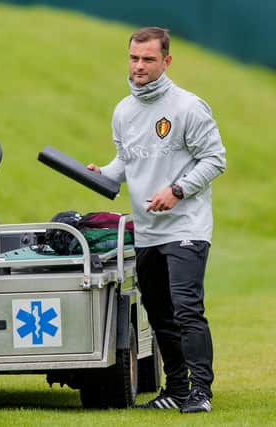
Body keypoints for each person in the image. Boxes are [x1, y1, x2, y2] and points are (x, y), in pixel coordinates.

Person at [87, 27, 226, 413]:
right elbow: (126, 162)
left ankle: (201, 392)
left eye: (148, 59)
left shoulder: (188, 107)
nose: (139, 66)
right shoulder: (123, 111)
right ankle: (177, 390)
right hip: (146, 232)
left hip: (186, 227)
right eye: (134, 58)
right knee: (160, 313)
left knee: (186, 308)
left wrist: (177, 190)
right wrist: (103, 173)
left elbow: (215, 160)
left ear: (166, 61)